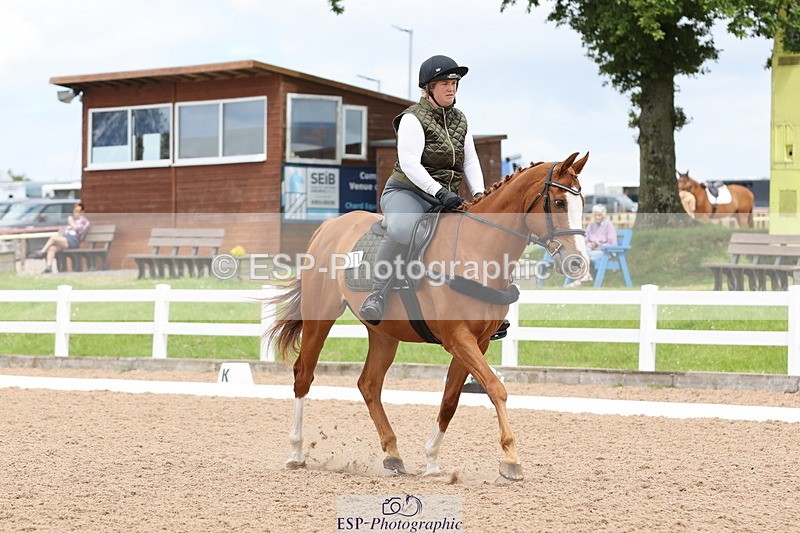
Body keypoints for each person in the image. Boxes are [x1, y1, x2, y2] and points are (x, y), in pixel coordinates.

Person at [359, 55, 486, 324]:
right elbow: (409, 163)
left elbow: (470, 159)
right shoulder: (412, 118)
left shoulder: (461, 119)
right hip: (408, 191)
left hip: (446, 196)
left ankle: (480, 306)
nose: (451, 88)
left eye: (454, 82)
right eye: (443, 83)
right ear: (428, 88)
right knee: (403, 229)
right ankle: (377, 294)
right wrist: (440, 192)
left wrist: (479, 194)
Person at [30, 202, 90, 274]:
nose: (76, 213)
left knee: (53, 238)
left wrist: (71, 222)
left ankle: (42, 252)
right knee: (52, 248)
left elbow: (76, 228)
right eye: (74, 211)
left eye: (78, 211)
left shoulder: (83, 220)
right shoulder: (74, 220)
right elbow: (66, 231)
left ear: (82, 212)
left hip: (74, 241)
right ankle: (48, 268)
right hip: (66, 240)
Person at [568, 204, 617, 287]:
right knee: (582, 254)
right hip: (591, 251)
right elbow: (585, 241)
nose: (597, 217)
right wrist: (590, 245)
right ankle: (585, 275)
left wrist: (599, 246)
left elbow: (612, 244)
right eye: (596, 215)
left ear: (603, 215)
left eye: (599, 215)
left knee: (585, 255)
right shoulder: (591, 226)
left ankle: (579, 280)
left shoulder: (609, 225)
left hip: (604, 252)